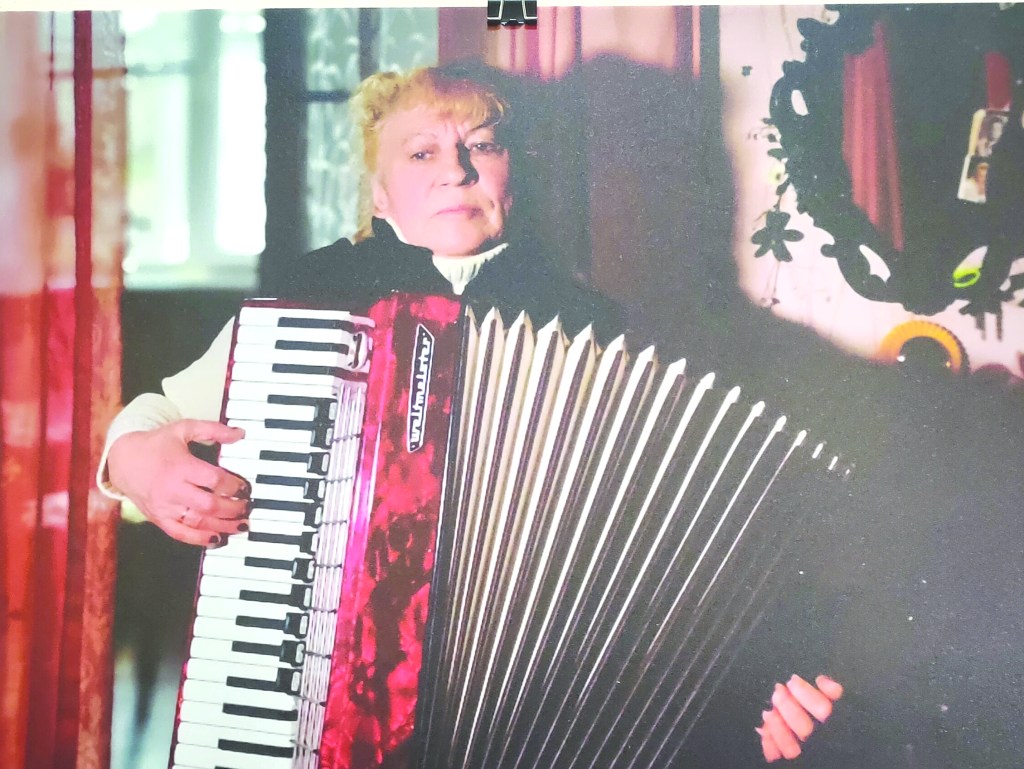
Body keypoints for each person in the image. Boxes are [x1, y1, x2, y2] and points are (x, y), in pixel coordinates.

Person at [99, 64, 840, 764]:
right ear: (379, 195)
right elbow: (157, 414)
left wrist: (764, 682)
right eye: (422, 152)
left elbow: (685, 556)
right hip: (307, 684)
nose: (455, 170)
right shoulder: (308, 302)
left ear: (518, 178)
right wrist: (137, 463)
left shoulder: (598, 333)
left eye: (482, 146)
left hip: (535, 723)